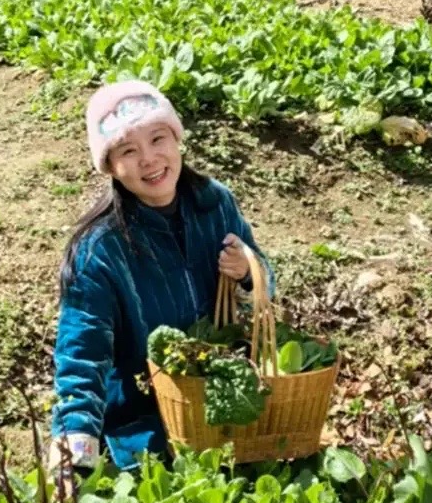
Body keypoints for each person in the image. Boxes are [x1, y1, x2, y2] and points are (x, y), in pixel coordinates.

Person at [49, 79, 271, 476]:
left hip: (222, 399)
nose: (149, 159)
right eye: (128, 151)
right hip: (142, 421)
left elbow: (264, 273)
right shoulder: (100, 250)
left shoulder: (214, 203)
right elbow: (82, 356)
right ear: (110, 167)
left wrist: (249, 273)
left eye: (157, 139)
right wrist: (72, 458)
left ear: (177, 138)